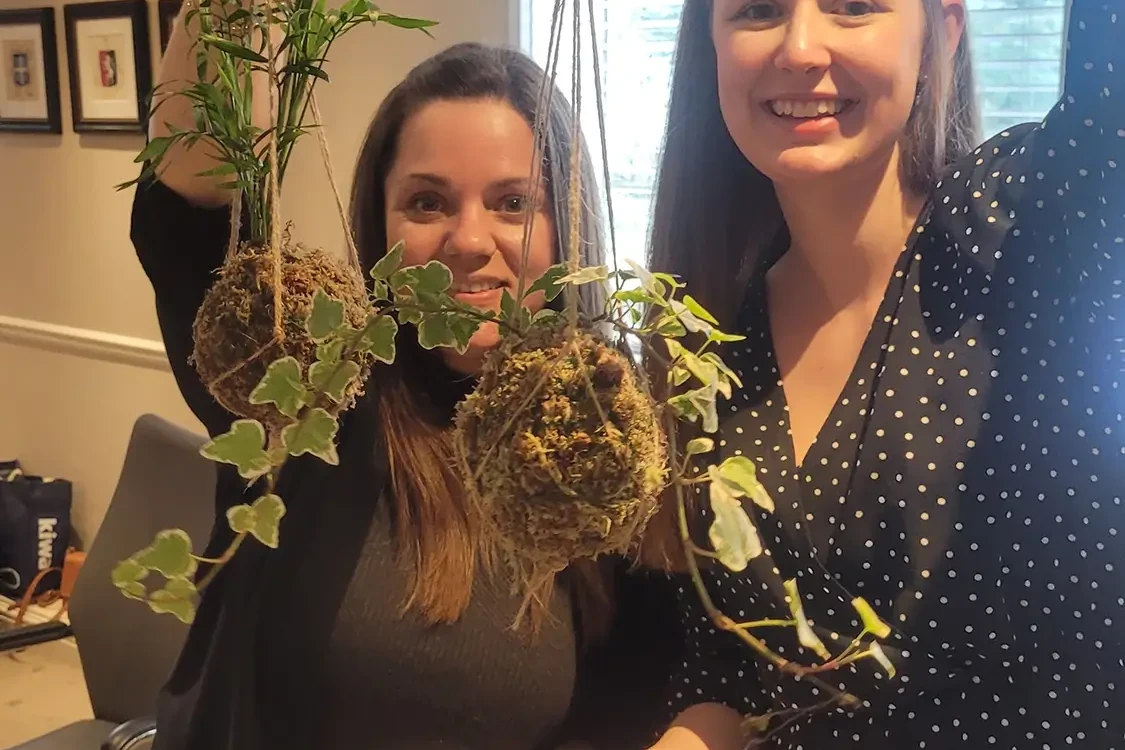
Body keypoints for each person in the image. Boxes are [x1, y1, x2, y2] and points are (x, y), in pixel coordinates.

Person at [130, 6, 682, 749]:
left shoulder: (608, 451)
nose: (468, 240)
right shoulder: (307, 389)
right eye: (427, 202)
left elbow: (641, 702)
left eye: (513, 202)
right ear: (379, 218)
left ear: (567, 224)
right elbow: (183, 217)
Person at [640, 0, 1123, 748]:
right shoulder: (710, 351)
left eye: (853, 6)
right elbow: (733, 678)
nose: (800, 46)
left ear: (943, 31)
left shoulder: (1023, 235)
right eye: (757, 11)